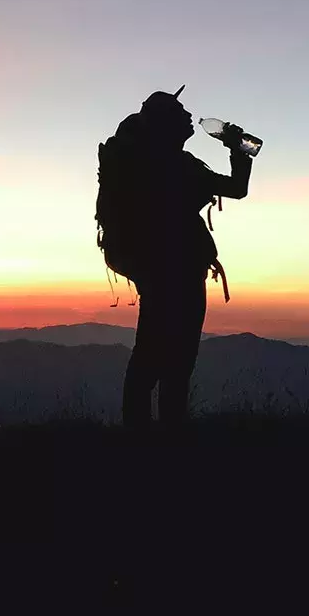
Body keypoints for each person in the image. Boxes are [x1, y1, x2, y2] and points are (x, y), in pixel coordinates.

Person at [98, 89, 252, 429]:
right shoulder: (175, 164)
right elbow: (237, 188)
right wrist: (237, 148)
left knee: (151, 351)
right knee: (176, 357)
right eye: (180, 112)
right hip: (178, 268)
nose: (188, 116)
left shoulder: (148, 161)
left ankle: (140, 431)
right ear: (166, 123)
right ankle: (167, 433)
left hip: (155, 267)